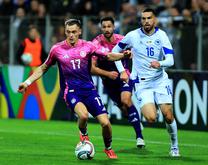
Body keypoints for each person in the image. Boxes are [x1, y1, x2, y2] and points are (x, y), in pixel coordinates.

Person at [17, 19, 130, 159]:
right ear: (65, 32)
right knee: (83, 115)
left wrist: (122, 55)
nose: (71, 35)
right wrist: (27, 83)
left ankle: (108, 148)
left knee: (106, 123)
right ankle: (84, 134)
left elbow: (108, 55)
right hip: (70, 91)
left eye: (74, 32)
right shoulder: (57, 49)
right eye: (68, 32)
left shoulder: (88, 46)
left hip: (89, 90)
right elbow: (43, 68)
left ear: (80, 32)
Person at [112, 8, 180, 157]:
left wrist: (160, 63)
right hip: (143, 84)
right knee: (150, 118)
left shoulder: (162, 35)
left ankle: (174, 146)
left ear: (154, 19)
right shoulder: (132, 36)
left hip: (160, 80)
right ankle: (152, 107)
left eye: (149, 18)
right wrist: (122, 71)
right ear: (140, 20)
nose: (146, 21)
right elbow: (115, 52)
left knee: (168, 116)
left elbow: (171, 60)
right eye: (143, 18)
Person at [91, 16, 145, 148]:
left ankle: (139, 137)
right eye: (104, 27)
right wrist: (107, 74)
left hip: (124, 76)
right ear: (101, 28)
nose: (106, 29)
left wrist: (130, 54)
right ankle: (134, 119)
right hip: (109, 82)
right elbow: (91, 68)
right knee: (124, 108)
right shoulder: (96, 43)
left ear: (114, 27)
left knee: (126, 100)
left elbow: (135, 52)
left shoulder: (122, 40)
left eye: (109, 26)